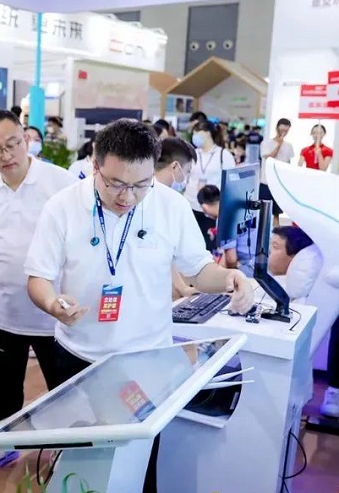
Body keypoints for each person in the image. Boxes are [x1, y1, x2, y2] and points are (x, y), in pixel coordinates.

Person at [26, 119, 253, 493]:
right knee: (80, 463)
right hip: (80, 356)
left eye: (140, 185)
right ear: (95, 166)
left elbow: (198, 271)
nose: (127, 197)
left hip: (147, 359)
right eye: (115, 184)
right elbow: (38, 276)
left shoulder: (171, 205)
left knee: (139, 462)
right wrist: (52, 302)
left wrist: (230, 278)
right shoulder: (62, 207)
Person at [0, 110, 77, 473]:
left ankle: (68, 448)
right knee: (6, 387)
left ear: (27, 140)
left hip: (54, 312)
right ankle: (7, 442)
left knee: (63, 387)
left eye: (13, 144)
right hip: (6, 311)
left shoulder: (60, 183)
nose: (6, 155)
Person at [154, 137, 199, 299]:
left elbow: (167, 253)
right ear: (175, 166)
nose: (186, 177)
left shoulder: (167, 199)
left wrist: (182, 288)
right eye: (187, 171)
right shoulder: (167, 200)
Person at [185, 120, 236, 251]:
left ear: (208, 133)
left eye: (197, 132)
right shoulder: (192, 153)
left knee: (209, 244)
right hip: (192, 204)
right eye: (193, 133)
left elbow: (231, 182)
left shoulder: (223, 155)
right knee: (190, 244)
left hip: (212, 208)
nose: (194, 136)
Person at [259, 119, 294, 227]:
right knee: (263, 211)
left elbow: (288, 164)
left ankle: (275, 233)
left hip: (279, 183)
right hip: (266, 182)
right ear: (277, 128)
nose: (284, 133)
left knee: (276, 213)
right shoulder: (266, 143)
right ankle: (263, 233)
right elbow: (270, 157)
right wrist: (279, 144)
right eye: (282, 130)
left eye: (286, 131)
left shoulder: (288, 146)